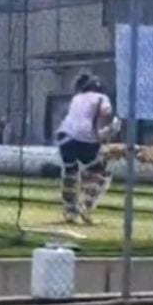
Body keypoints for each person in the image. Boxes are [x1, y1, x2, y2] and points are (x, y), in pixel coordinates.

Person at [54, 73, 120, 225]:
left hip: (64, 136)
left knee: (70, 172)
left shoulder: (76, 98)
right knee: (101, 171)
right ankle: (86, 205)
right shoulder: (102, 98)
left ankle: (70, 211)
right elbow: (106, 113)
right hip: (85, 139)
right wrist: (109, 130)